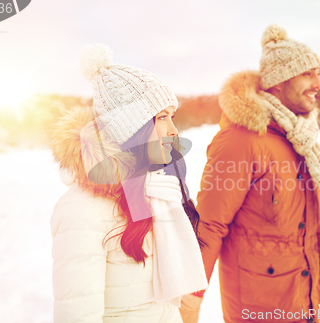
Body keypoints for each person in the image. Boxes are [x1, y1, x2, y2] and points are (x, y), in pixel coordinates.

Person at [179, 24, 320, 323]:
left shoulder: (297, 138)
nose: (319, 84)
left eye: (319, 74)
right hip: (257, 311)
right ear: (279, 81)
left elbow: (316, 218)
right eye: (308, 73)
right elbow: (209, 226)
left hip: (303, 302)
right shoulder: (240, 141)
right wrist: (189, 303)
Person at [50, 43, 208, 323]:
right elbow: (78, 314)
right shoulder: (82, 211)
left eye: (173, 116)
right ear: (131, 128)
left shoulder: (158, 191)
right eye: (161, 118)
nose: (173, 130)